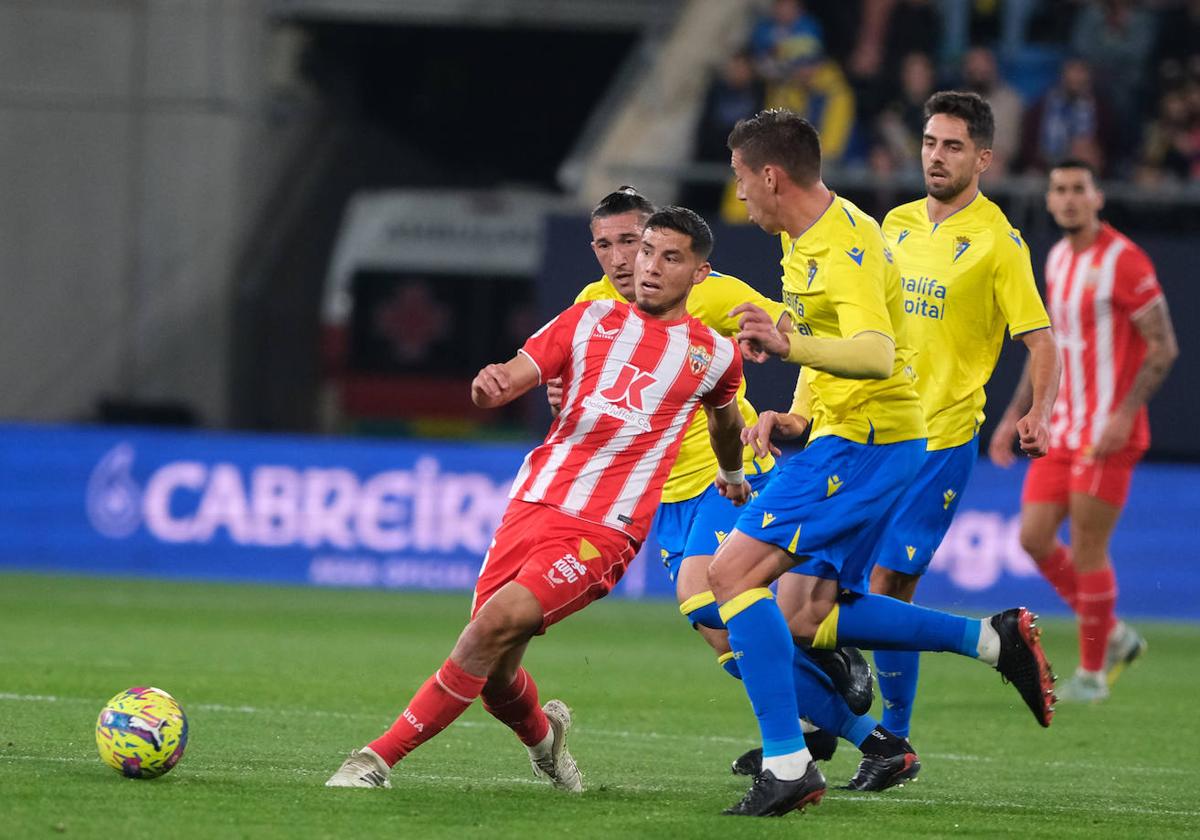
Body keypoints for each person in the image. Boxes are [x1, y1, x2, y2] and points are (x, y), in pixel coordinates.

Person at [326, 207, 751, 791]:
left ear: (700, 273)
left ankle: (374, 761)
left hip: (604, 527)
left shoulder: (713, 354)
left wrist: (730, 472)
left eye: (669, 257)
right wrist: (494, 382)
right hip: (531, 504)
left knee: (488, 629)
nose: (647, 266)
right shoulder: (587, 319)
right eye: (645, 251)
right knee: (496, 675)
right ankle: (548, 744)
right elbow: (519, 370)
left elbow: (726, 420)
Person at [709, 108, 1056, 817]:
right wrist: (795, 413)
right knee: (802, 612)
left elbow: (872, 352)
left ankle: (793, 761)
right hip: (852, 433)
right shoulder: (820, 236)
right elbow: (820, 332)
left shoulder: (849, 246)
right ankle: (990, 642)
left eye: (743, 178)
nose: (739, 192)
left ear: (771, 176)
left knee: (731, 574)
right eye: (928, 140)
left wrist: (785, 348)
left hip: (880, 439)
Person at [563, 186, 873, 762]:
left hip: (729, 474)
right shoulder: (594, 304)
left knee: (702, 598)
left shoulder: (708, 290)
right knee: (725, 641)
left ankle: (830, 649)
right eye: (606, 245)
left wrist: (780, 349)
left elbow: (799, 332)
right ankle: (852, 736)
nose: (623, 258)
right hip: (666, 496)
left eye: (633, 241)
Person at [862, 90, 1060, 761]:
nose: (935, 157)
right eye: (928, 142)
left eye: (951, 146)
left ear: (983, 158)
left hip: (942, 440)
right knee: (839, 585)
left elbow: (1041, 341)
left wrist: (1039, 410)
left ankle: (893, 736)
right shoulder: (893, 224)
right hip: (876, 434)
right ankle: (866, 724)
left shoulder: (1000, 243)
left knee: (889, 585)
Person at [990, 159, 1178, 702]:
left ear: (1098, 198)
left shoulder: (1125, 260)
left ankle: (1093, 674)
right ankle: (1115, 633)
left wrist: (1124, 414)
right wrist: (1012, 417)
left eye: (1078, 189)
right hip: (1063, 426)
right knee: (1032, 538)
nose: (1068, 199)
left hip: (1107, 434)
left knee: (1089, 549)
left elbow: (1163, 346)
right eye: (1059, 190)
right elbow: (1047, 345)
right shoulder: (1055, 257)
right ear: (1049, 201)